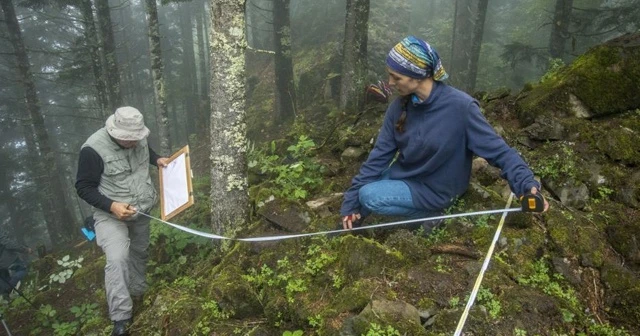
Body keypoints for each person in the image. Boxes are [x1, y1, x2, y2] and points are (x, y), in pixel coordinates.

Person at [340, 36, 549, 232]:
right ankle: (355, 221)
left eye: (396, 77)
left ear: (419, 76)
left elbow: (500, 152)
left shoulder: (461, 107)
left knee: (369, 195)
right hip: (408, 176)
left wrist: (526, 185)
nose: (390, 83)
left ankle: (432, 216)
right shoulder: (397, 108)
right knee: (364, 189)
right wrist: (351, 204)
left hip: (438, 190)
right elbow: (378, 158)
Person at [75, 106, 169, 336]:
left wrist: (157, 160)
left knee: (139, 253)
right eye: (129, 139)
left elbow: (147, 152)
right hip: (109, 216)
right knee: (117, 259)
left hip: (141, 210)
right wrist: (112, 206)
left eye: (137, 138)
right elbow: (83, 187)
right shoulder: (92, 149)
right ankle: (121, 318)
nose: (134, 142)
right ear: (115, 132)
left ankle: (137, 294)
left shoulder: (139, 138)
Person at [0, 229, 31, 299]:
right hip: (9, 259)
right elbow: (8, 244)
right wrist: (24, 249)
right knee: (22, 270)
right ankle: (9, 288)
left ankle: (7, 298)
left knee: (5, 281)